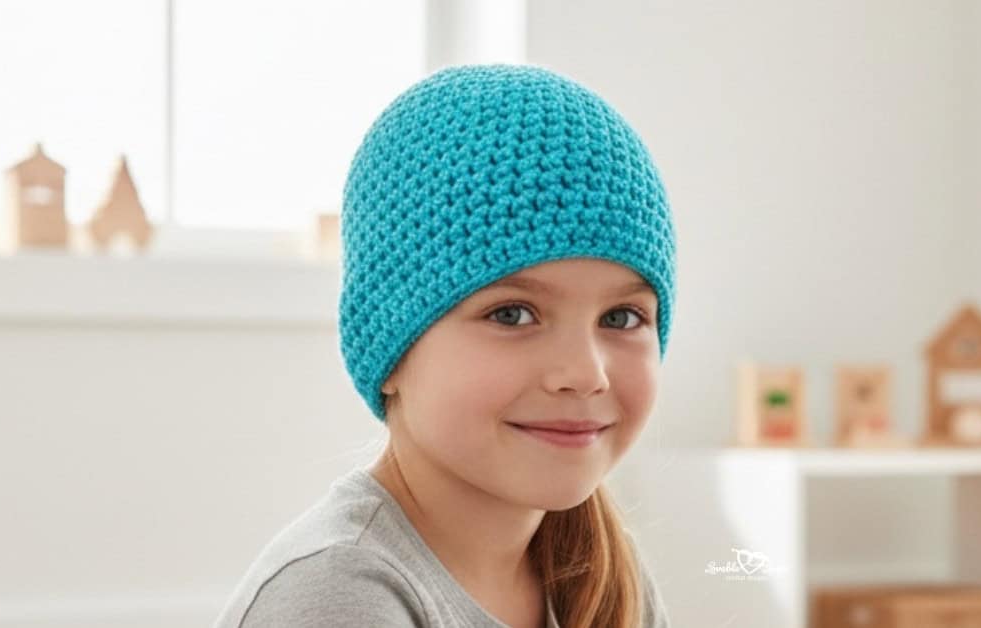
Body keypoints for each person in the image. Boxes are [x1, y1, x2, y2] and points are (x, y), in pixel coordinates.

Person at [214, 63, 676, 628]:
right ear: (390, 349)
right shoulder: (337, 597)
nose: (586, 373)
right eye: (512, 314)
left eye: (621, 317)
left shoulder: (605, 584)